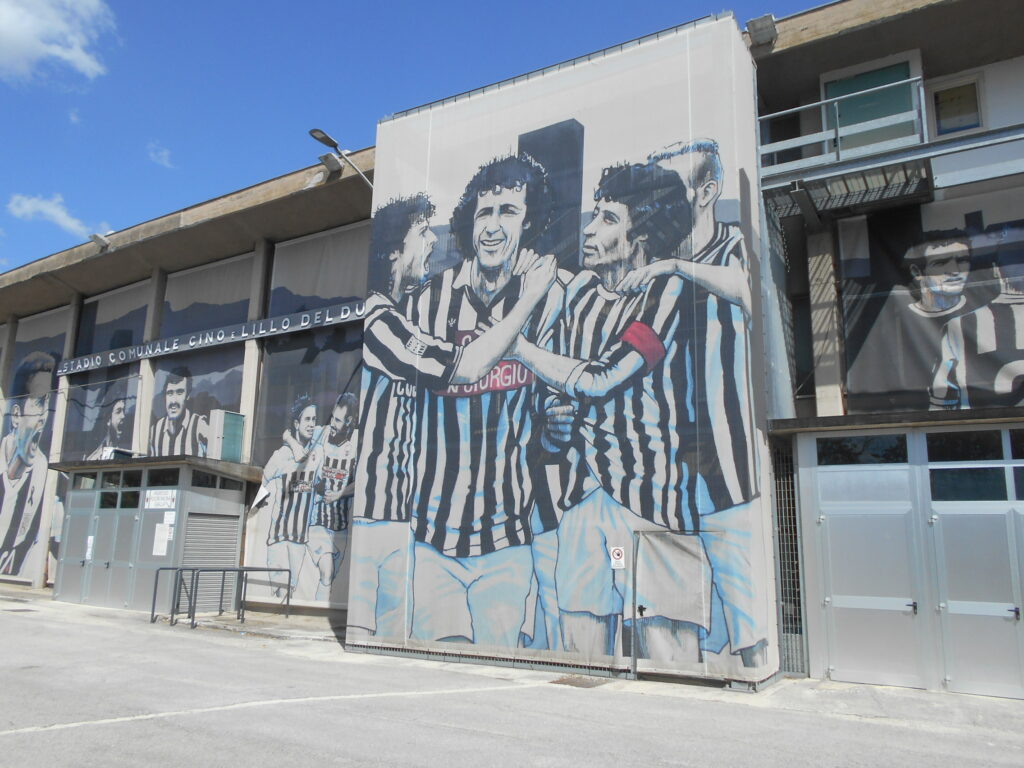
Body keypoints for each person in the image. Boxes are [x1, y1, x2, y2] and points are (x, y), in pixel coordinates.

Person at [512, 160, 715, 660]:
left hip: (652, 502)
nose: (588, 230)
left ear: (640, 232)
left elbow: (603, 378)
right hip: (584, 500)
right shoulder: (579, 293)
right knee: (579, 636)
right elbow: (556, 389)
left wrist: (515, 347)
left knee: (667, 649)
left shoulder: (666, 291)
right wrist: (553, 424)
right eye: (592, 216)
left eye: (606, 219)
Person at [349, 190, 557, 639]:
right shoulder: (381, 320)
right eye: (422, 232)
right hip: (398, 529)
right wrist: (529, 299)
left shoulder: (400, 315)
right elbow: (464, 366)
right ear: (393, 252)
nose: (431, 240)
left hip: (492, 538)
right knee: (389, 646)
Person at [404, 153, 564, 648]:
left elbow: (547, 409)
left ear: (530, 221)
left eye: (508, 212)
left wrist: (555, 424)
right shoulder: (426, 303)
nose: (492, 227)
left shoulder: (550, 301)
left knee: (494, 684)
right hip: (433, 542)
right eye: (483, 213)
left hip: (507, 543)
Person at [616, 139, 765, 665]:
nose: (659, 203)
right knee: (680, 582)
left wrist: (673, 268)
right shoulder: (658, 256)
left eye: (670, 190)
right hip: (669, 455)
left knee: (739, 584)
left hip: (725, 448)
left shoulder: (729, 243)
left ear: (707, 191)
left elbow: (745, 290)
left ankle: (748, 661)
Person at [931, 226, 1024, 409]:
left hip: (986, 434)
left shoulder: (958, 326)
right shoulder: (958, 327)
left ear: (996, 270)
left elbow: (940, 401)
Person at [0, 352, 55, 577]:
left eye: (48, 404)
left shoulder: (44, 472)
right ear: (15, 415)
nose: (44, 416)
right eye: (38, 402)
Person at [263, 395, 322, 596]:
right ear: (297, 423)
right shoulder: (281, 455)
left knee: (291, 592)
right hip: (279, 537)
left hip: (299, 539)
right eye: (307, 419)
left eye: (314, 420)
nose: (312, 424)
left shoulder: (318, 452)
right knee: (281, 593)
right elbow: (262, 483)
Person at [306, 393, 358, 601]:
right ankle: (316, 614)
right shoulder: (320, 436)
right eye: (332, 418)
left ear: (349, 422)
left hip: (341, 529)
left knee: (330, 577)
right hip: (317, 524)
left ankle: (318, 610)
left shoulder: (354, 448)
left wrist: (339, 494)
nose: (333, 424)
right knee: (326, 572)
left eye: (338, 420)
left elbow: (361, 482)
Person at [149, 366, 208, 457]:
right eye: (170, 393)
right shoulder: (155, 430)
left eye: (179, 392)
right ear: (165, 396)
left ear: (187, 395)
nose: (173, 401)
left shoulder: (200, 426)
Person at [86, 380, 130, 461]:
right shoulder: (95, 456)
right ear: (108, 419)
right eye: (118, 411)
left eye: (124, 410)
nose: (123, 416)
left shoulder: (129, 447)